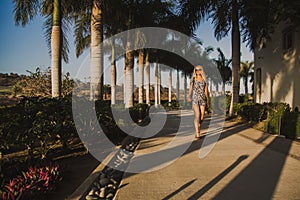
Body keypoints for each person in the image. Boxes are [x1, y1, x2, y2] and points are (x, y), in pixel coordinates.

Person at [187, 65, 210, 139]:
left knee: (202, 117)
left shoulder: (204, 80)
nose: (198, 71)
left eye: (199, 69)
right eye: (196, 70)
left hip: (202, 99)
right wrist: (188, 96)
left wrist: (208, 100)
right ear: (195, 71)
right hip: (195, 99)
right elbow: (190, 89)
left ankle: (198, 124)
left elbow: (206, 91)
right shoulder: (193, 79)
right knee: (197, 115)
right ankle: (198, 133)